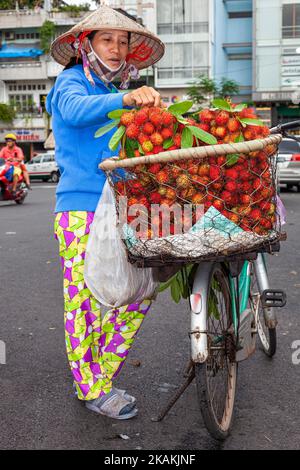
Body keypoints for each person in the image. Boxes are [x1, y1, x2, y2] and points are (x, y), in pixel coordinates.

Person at [46, 5, 165, 420]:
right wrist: (127, 98)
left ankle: (100, 376)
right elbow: (77, 111)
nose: (117, 49)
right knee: (84, 302)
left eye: (123, 41)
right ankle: (91, 387)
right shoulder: (71, 82)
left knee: (137, 293)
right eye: (107, 40)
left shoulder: (124, 92)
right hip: (79, 209)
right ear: (86, 44)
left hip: (124, 209)